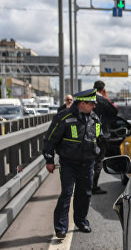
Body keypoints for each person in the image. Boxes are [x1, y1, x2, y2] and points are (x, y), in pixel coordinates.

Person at [43, 88, 101, 238]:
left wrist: (98, 153)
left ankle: (81, 221)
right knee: (67, 194)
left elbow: (98, 137)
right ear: (82, 103)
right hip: (69, 164)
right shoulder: (64, 117)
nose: (94, 106)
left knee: (85, 194)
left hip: (88, 164)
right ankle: (61, 227)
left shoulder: (95, 118)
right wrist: (49, 160)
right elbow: (50, 139)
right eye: (91, 103)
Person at [91, 80, 118, 195]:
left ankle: (85, 185)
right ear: (103, 90)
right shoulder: (102, 100)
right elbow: (114, 111)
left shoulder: (88, 98)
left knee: (88, 160)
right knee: (98, 160)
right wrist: (106, 97)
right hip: (99, 132)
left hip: (87, 132)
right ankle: (93, 186)